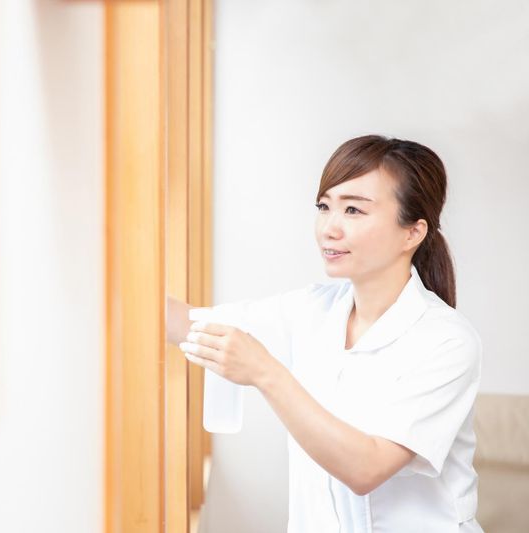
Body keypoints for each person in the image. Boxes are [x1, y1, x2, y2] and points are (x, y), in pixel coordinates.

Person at [167, 135, 483, 532]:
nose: (329, 228)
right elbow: (195, 326)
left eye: (353, 209)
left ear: (412, 233)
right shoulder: (312, 310)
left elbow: (367, 468)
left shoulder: (447, 341)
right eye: (324, 207)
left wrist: (266, 373)